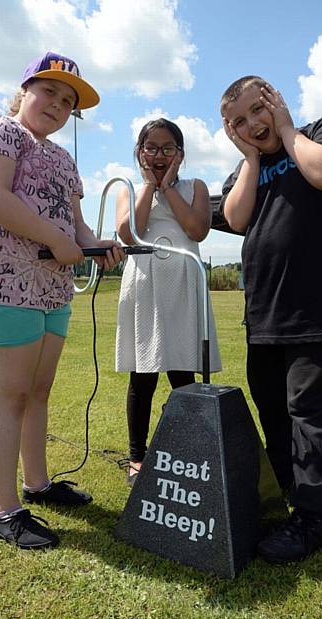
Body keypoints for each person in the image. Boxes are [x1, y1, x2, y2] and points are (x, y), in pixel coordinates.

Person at [0, 52, 124, 550]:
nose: (58, 104)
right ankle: (4, 510)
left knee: (39, 391)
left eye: (68, 100)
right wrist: (58, 242)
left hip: (53, 289)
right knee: (10, 395)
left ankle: (38, 485)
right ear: (25, 89)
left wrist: (94, 247)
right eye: (50, 91)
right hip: (5, 282)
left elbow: (76, 226)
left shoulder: (62, 158)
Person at [220, 76, 322, 564]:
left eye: (259, 109)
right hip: (265, 316)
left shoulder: (318, 133)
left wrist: (286, 128)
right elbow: (236, 219)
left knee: (309, 415)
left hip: (318, 311)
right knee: (274, 413)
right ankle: (294, 502)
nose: (253, 124)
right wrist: (252, 159)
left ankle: (316, 518)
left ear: (276, 101)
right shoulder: (246, 169)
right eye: (239, 121)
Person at [115, 118, 221, 486]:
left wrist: (170, 188)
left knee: (183, 373)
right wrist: (149, 186)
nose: (159, 155)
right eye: (151, 148)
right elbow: (131, 232)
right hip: (146, 284)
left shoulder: (196, 187)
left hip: (183, 281)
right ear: (140, 152)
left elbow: (196, 230)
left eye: (167, 148)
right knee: (142, 374)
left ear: (180, 153)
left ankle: (187, 450)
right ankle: (136, 457)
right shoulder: (128, 189)